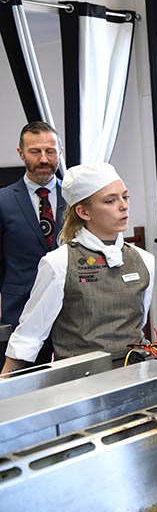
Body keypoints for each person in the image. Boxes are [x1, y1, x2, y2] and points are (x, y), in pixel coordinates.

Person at [2, 163, 154, 374]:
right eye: (110, 200)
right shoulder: (59, 262)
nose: (123, 206)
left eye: (125, 197)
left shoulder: (144, 260)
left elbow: (139, 322)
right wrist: (4, 383)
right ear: (83, 212)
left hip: (135, 373)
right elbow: (30, 335)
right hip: (79, 382)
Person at [0, 122, 66, 368]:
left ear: (60, 151)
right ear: (21, 153)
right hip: (19, 312)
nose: (43, 159)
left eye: (50, 151)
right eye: (35, 152)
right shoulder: (3, 201)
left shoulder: (76, 199)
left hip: (69, 313)